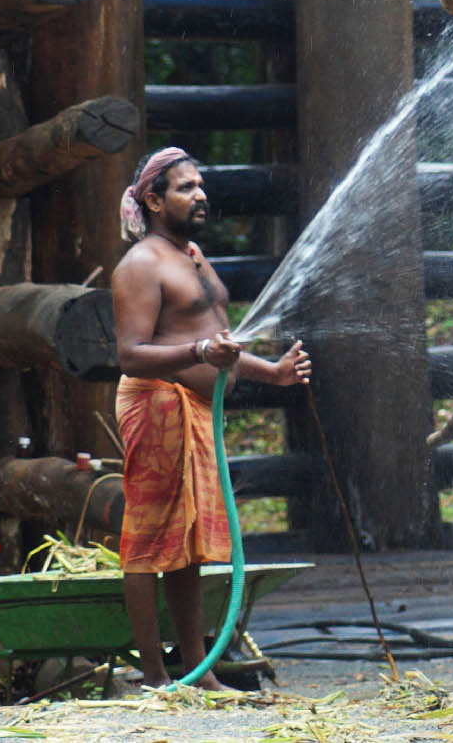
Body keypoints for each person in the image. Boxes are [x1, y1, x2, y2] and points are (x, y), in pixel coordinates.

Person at [111, 146, 312, 689]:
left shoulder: (195, 254)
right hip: (157, 404)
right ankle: (156, 678)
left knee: (188, 545)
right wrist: (200, 352)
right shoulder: (141, 264)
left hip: (197, 408)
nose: (200, 195)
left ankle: (197, 672)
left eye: (200, 185)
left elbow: (214, 341)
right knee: (148, 541)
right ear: (154, 201)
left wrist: (273, 372)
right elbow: (131, 354)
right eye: (185, 188)